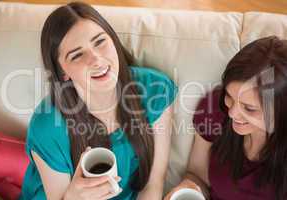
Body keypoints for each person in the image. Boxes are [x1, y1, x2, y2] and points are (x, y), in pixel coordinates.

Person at [20, 2, 177, 200]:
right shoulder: (47, 126)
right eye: (77, 55)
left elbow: (153, 184)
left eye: (100, 41)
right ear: (62, 72)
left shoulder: (155, 90)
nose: (96, 59)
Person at [164, 36, 287, 200]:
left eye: (249, 108)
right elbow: (197, 175)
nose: (232, 113)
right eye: (229, 96)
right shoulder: (215, 109)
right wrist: (190, 188)